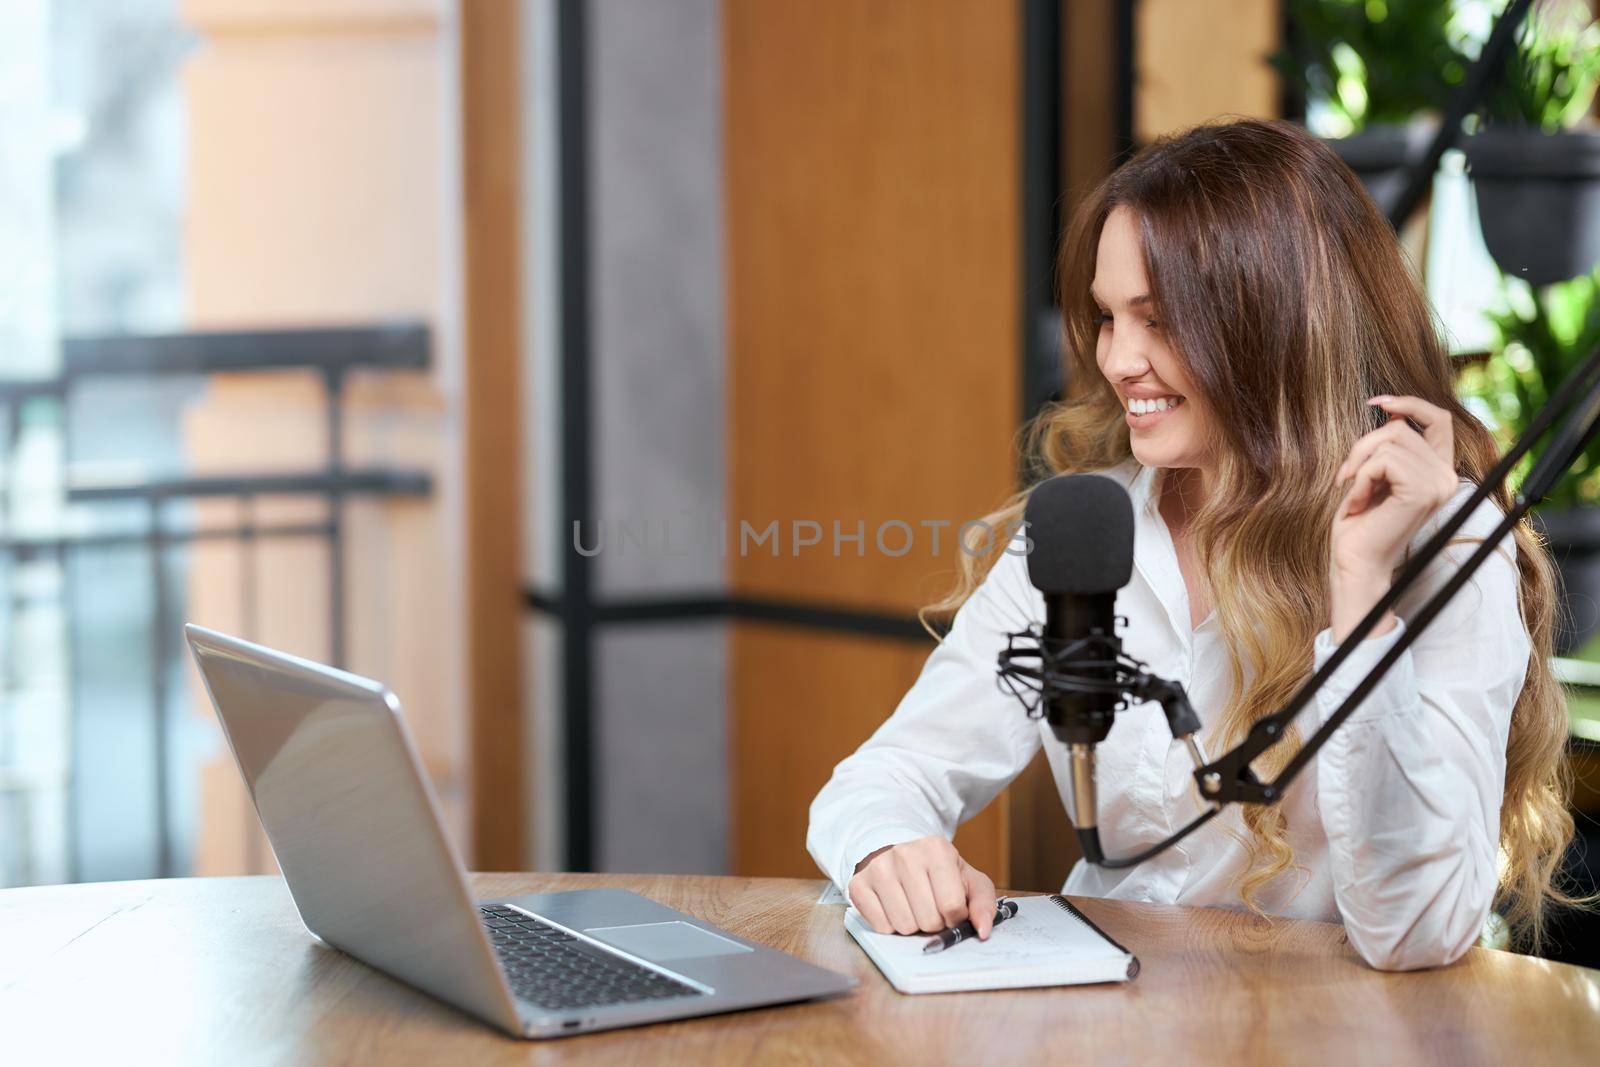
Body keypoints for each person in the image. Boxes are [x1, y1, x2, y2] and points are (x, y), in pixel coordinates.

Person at [806, 118, 1578, 971]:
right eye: (1107, 318)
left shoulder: (1446, 542)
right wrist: (888, 847)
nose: (1118, 360)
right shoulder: (1088, 531)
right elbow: (886, 775)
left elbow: (1415, 932)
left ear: (1278, 325)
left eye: (1159, 319)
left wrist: (1362, 586)